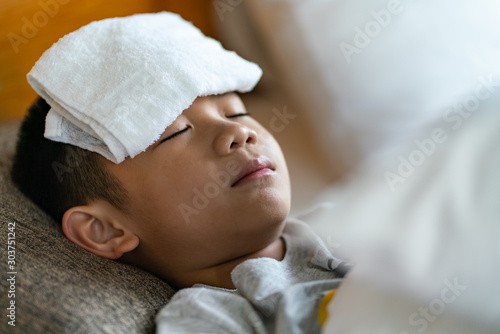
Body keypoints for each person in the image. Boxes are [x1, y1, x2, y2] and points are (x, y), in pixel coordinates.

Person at [12, 12, 349, 333]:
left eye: (235, 112)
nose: (239, 134)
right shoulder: (209, 320)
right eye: (176, 133)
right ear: (104, 229)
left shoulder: (352, 222)